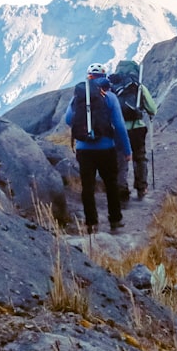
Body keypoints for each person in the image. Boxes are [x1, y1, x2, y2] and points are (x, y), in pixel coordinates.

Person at [65, 63, 132, 234]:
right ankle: (115, 221)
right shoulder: (109, 97)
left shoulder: (79, 97)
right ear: (104, 77)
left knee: (88, 186)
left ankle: (91, 223)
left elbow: (68, 119)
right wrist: (127, 150)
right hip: (106, 148)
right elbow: (119, 125)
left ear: (88, 77)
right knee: (111, 184)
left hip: (84, 149)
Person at [109, 60, 157, 202]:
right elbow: (152, 109)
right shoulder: (138, 86)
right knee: (140, 158)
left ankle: (122, 192)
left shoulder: (112, 86)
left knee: (121, 160)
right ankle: (141, 188)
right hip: (137, 127)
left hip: (117, 129)